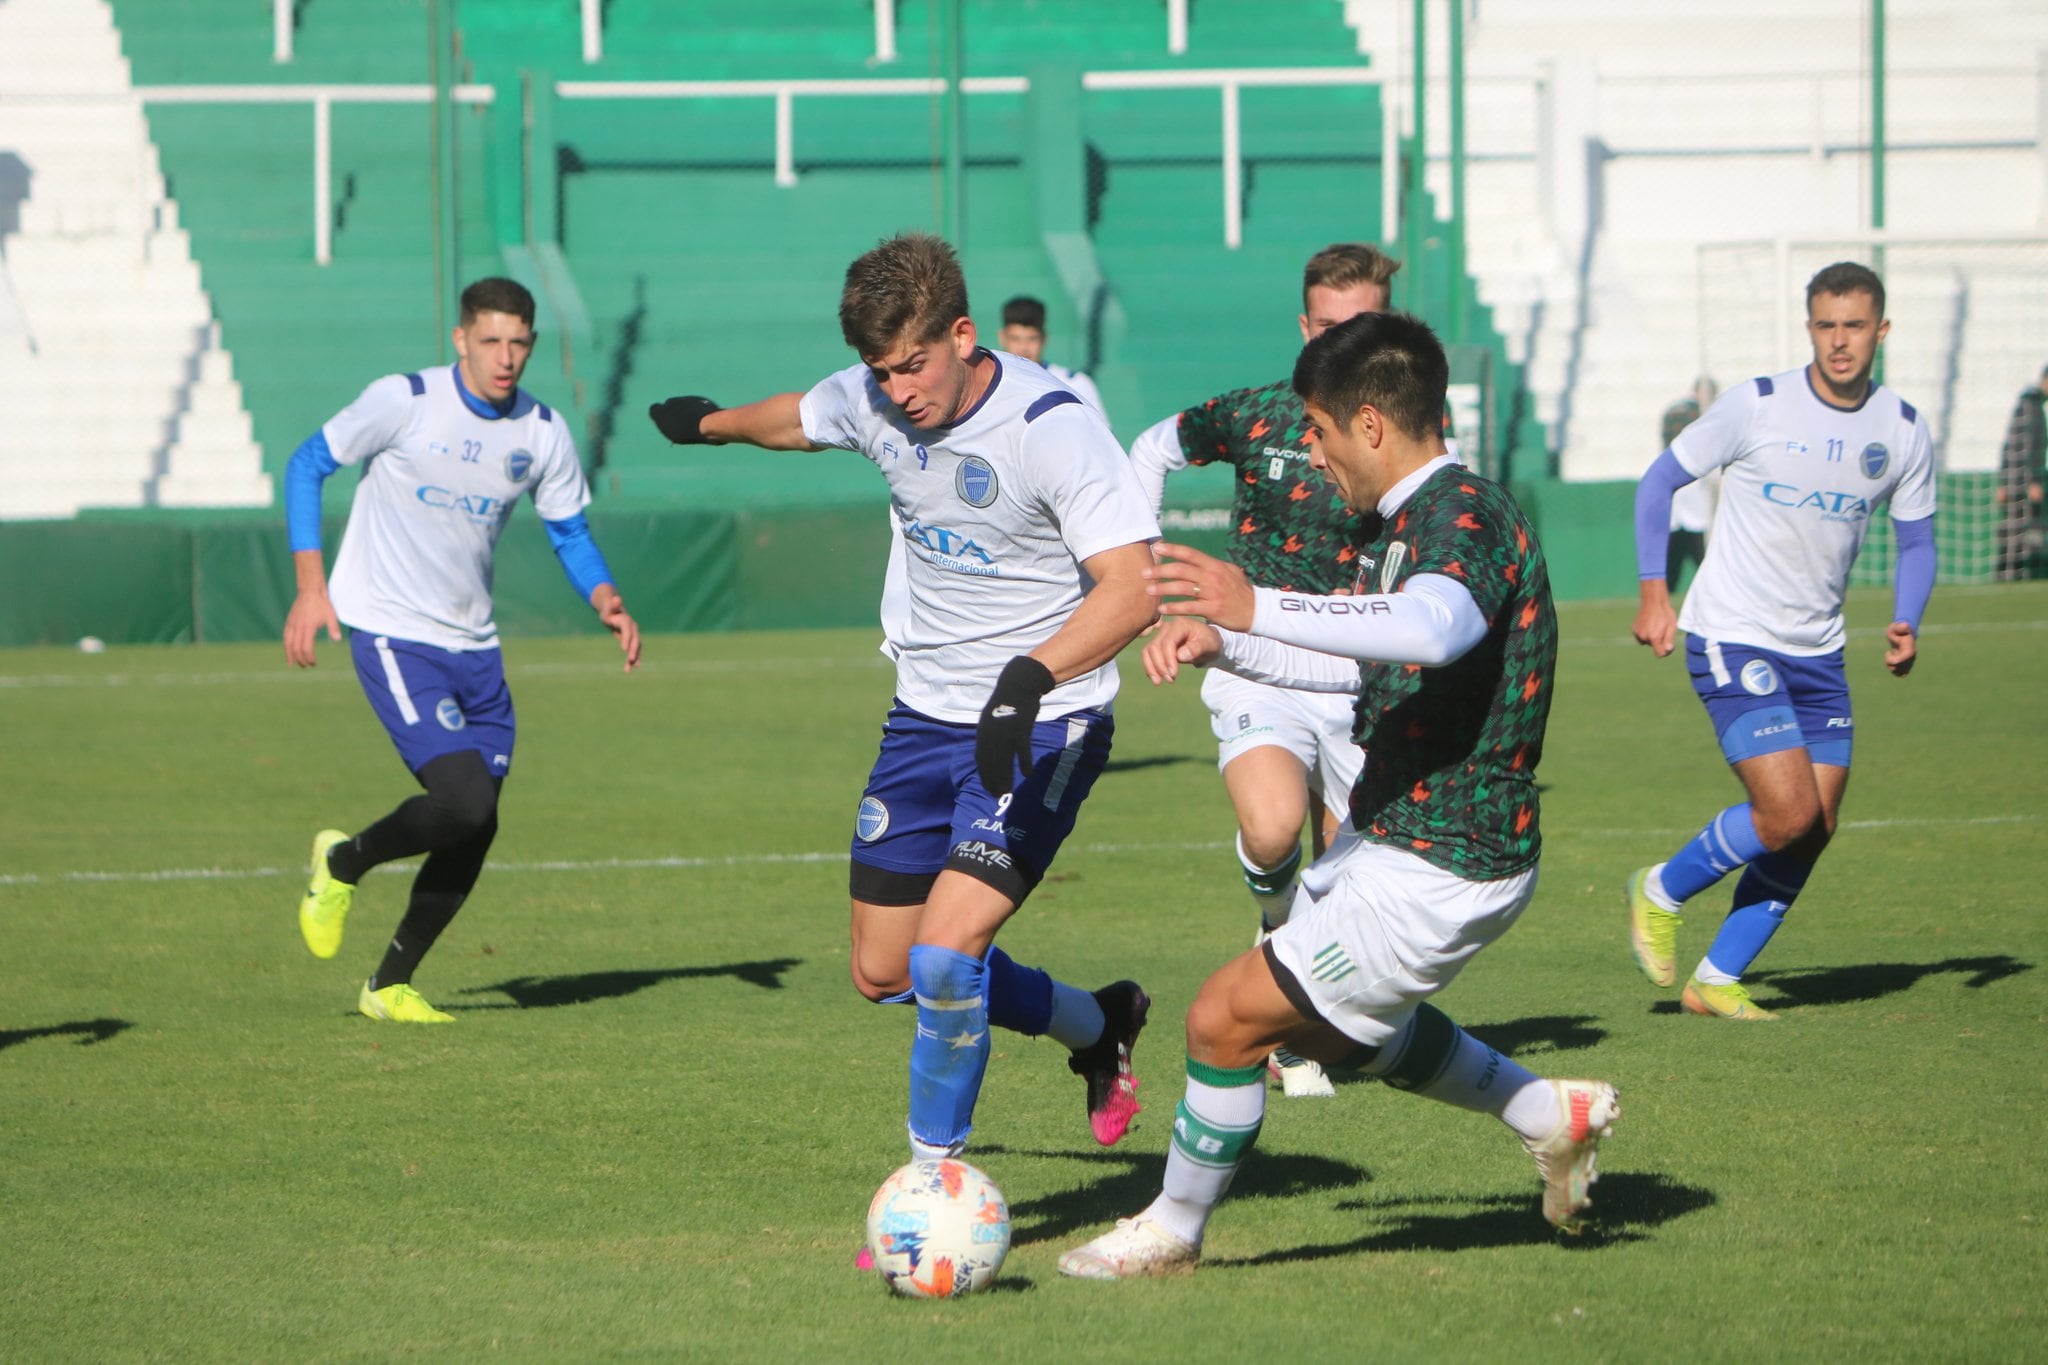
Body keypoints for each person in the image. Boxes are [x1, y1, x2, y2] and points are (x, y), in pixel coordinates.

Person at [1058, 311, 1620, 1280]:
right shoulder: (1399, 522)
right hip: (1399, 839)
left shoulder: (1465, 516)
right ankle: (1543, 1112)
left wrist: (1251, 603)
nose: (1307, 454)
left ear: (1368, 424)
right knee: (1341, 1037)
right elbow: (1361, 653)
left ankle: (1170, 1232)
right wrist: (1229, 641)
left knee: (1220, 1018)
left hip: (1444, 856)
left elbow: (1434, 627)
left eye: (1314, 430)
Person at [647, 233, 1162, 1173]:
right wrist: (710, 423)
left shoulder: (1052, 424)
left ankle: (933, 1186)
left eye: (913, 366)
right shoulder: (873, 395)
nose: (897, 392)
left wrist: (1028, 679)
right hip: (924, 715)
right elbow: (800, 418)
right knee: (885, 971)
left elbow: (1132, 586)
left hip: (1046, 719)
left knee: (944, 954)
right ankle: (1100, 1021)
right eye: (880, 372)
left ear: (964, 335)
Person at [284, 276, 641, 1023]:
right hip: (391, 629)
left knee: (477, 823)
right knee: (464, 799)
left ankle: (387, 986)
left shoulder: (541, 430)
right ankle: (342, 861)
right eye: (491, 340)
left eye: (519, 342)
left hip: (475, 648)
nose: (506, 356)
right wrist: (312, 588)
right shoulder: (405, 400)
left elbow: (569, 529)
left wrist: (604, 597)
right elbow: (306, 464)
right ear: (461, 340)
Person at [1124, 241, 1401, 1098]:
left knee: (1362, 885)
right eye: (1326, 328)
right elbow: (1150, 447)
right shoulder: (1256, 414)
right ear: (1303, 326)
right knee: (1276, 829)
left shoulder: (1417, 442)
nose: (1342, 345)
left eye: (1361, 329)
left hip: (1364, 682)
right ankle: (1277, 947)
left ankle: (1289, 1008)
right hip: (1252, 665)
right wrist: (1144, 580)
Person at [1627, 261, 1937, 1020]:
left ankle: (1716, 978)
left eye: (1855, 325)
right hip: (1733, 633)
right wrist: (1654, 593)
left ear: (1881, 331)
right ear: (1809, 329)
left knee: (1815, 827)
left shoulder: (1900, 429)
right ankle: (1660, 887)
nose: (1840, 341)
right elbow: (1657, 483)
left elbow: (1918, 540)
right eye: (1826, 325)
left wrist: (1908, 616)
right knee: (1788, 811)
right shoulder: (1759, 405)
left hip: (1819, 650)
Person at [996, 294, 1106, 417]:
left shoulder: (1076, 384)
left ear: (1044, 338)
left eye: (1032, 339)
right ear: (1002, 338)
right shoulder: (989, 387)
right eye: (1015, 339)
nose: (1023, 348)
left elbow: (1102, 434)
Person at [1660, 375, 1720, 590]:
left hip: (1675, 486)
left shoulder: (1674, 411)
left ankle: (1662, 593)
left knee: (1676, 548)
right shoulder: (1703, 414)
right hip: (1697, 486)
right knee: (1701, 548)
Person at [1996, 364, 2046, 580]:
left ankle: (2008, 572)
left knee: (2013, 529)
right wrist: (2034, 480)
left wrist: (2004, 481)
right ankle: (2014, 572)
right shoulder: (2032, 407)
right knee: (2023, 530)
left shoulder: (2026, 404)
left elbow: (2010, 445)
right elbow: (2032, 446)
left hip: (2015, 480)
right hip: (2023, 482)